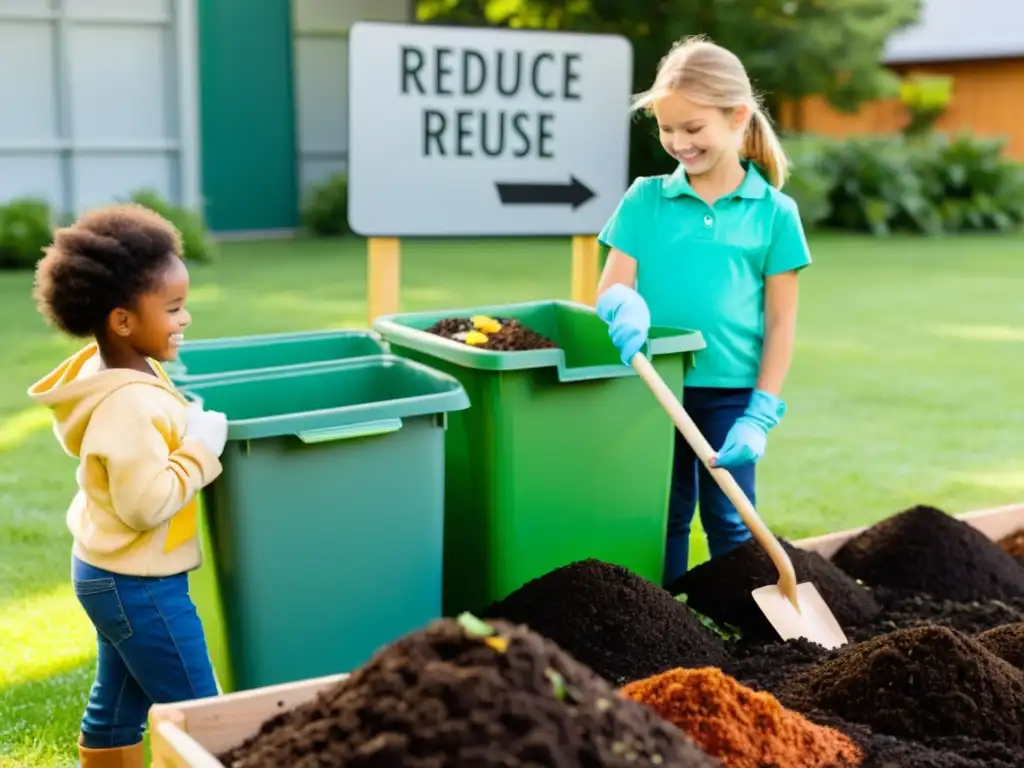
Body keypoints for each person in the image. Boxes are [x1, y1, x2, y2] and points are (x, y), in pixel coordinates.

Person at [595, 36, 812, 587]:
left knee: (731, 521)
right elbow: (610, 287)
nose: (677, 142)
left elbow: (782, 321)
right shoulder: (645, 200)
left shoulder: (775, 214)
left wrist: (761, 411)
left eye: (692, 129)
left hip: (732, 395)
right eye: (667, 129)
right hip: (658, 387)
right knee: (662, 517)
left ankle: (733, 623)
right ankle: (665, 621)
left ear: (737, 117)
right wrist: (623, 304)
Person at [28, 204, 228, 768]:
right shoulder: (129, 403)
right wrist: (200, 449)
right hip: (140, 584)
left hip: (107, 572)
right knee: (199, 713)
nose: (184, 318)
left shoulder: (122, 369)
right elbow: (146, 505)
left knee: (117, 705)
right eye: (172, 308)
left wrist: (184, 423)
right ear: (122, 321)